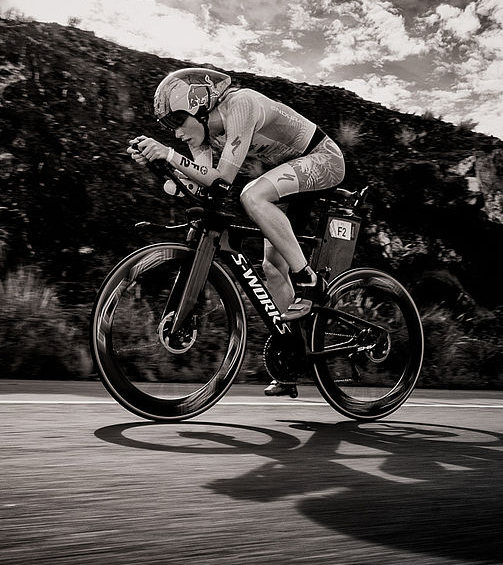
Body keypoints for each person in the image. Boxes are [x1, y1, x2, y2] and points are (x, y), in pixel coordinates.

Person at [127, 68, 346, 396]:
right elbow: (203, 187)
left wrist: (169, 155)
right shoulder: (206, 137)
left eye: (176, 122)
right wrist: (158, 164)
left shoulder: (240, 104)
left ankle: (310, 283)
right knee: (272, 269)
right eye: (167, 128)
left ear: (199, 106)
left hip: (323, 159)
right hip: (288, 179)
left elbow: (222, 180)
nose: (175, 135)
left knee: (252, 195)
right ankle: (295, 356)